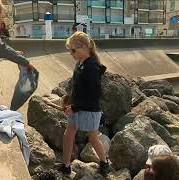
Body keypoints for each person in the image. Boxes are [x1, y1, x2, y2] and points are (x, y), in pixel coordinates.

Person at [58, 31, 109, 176]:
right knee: (69, 134)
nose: (71, 53)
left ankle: (104, 161)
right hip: (76, 105)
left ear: (86, 47)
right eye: (70, 50)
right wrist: (69, 99)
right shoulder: (80, 63)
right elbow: (77, 86)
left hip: (89, 108)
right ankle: (66, 165)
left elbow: (93, 94)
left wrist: (75, 107)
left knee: (92, 137)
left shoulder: (91, 67)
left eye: (73, 50)